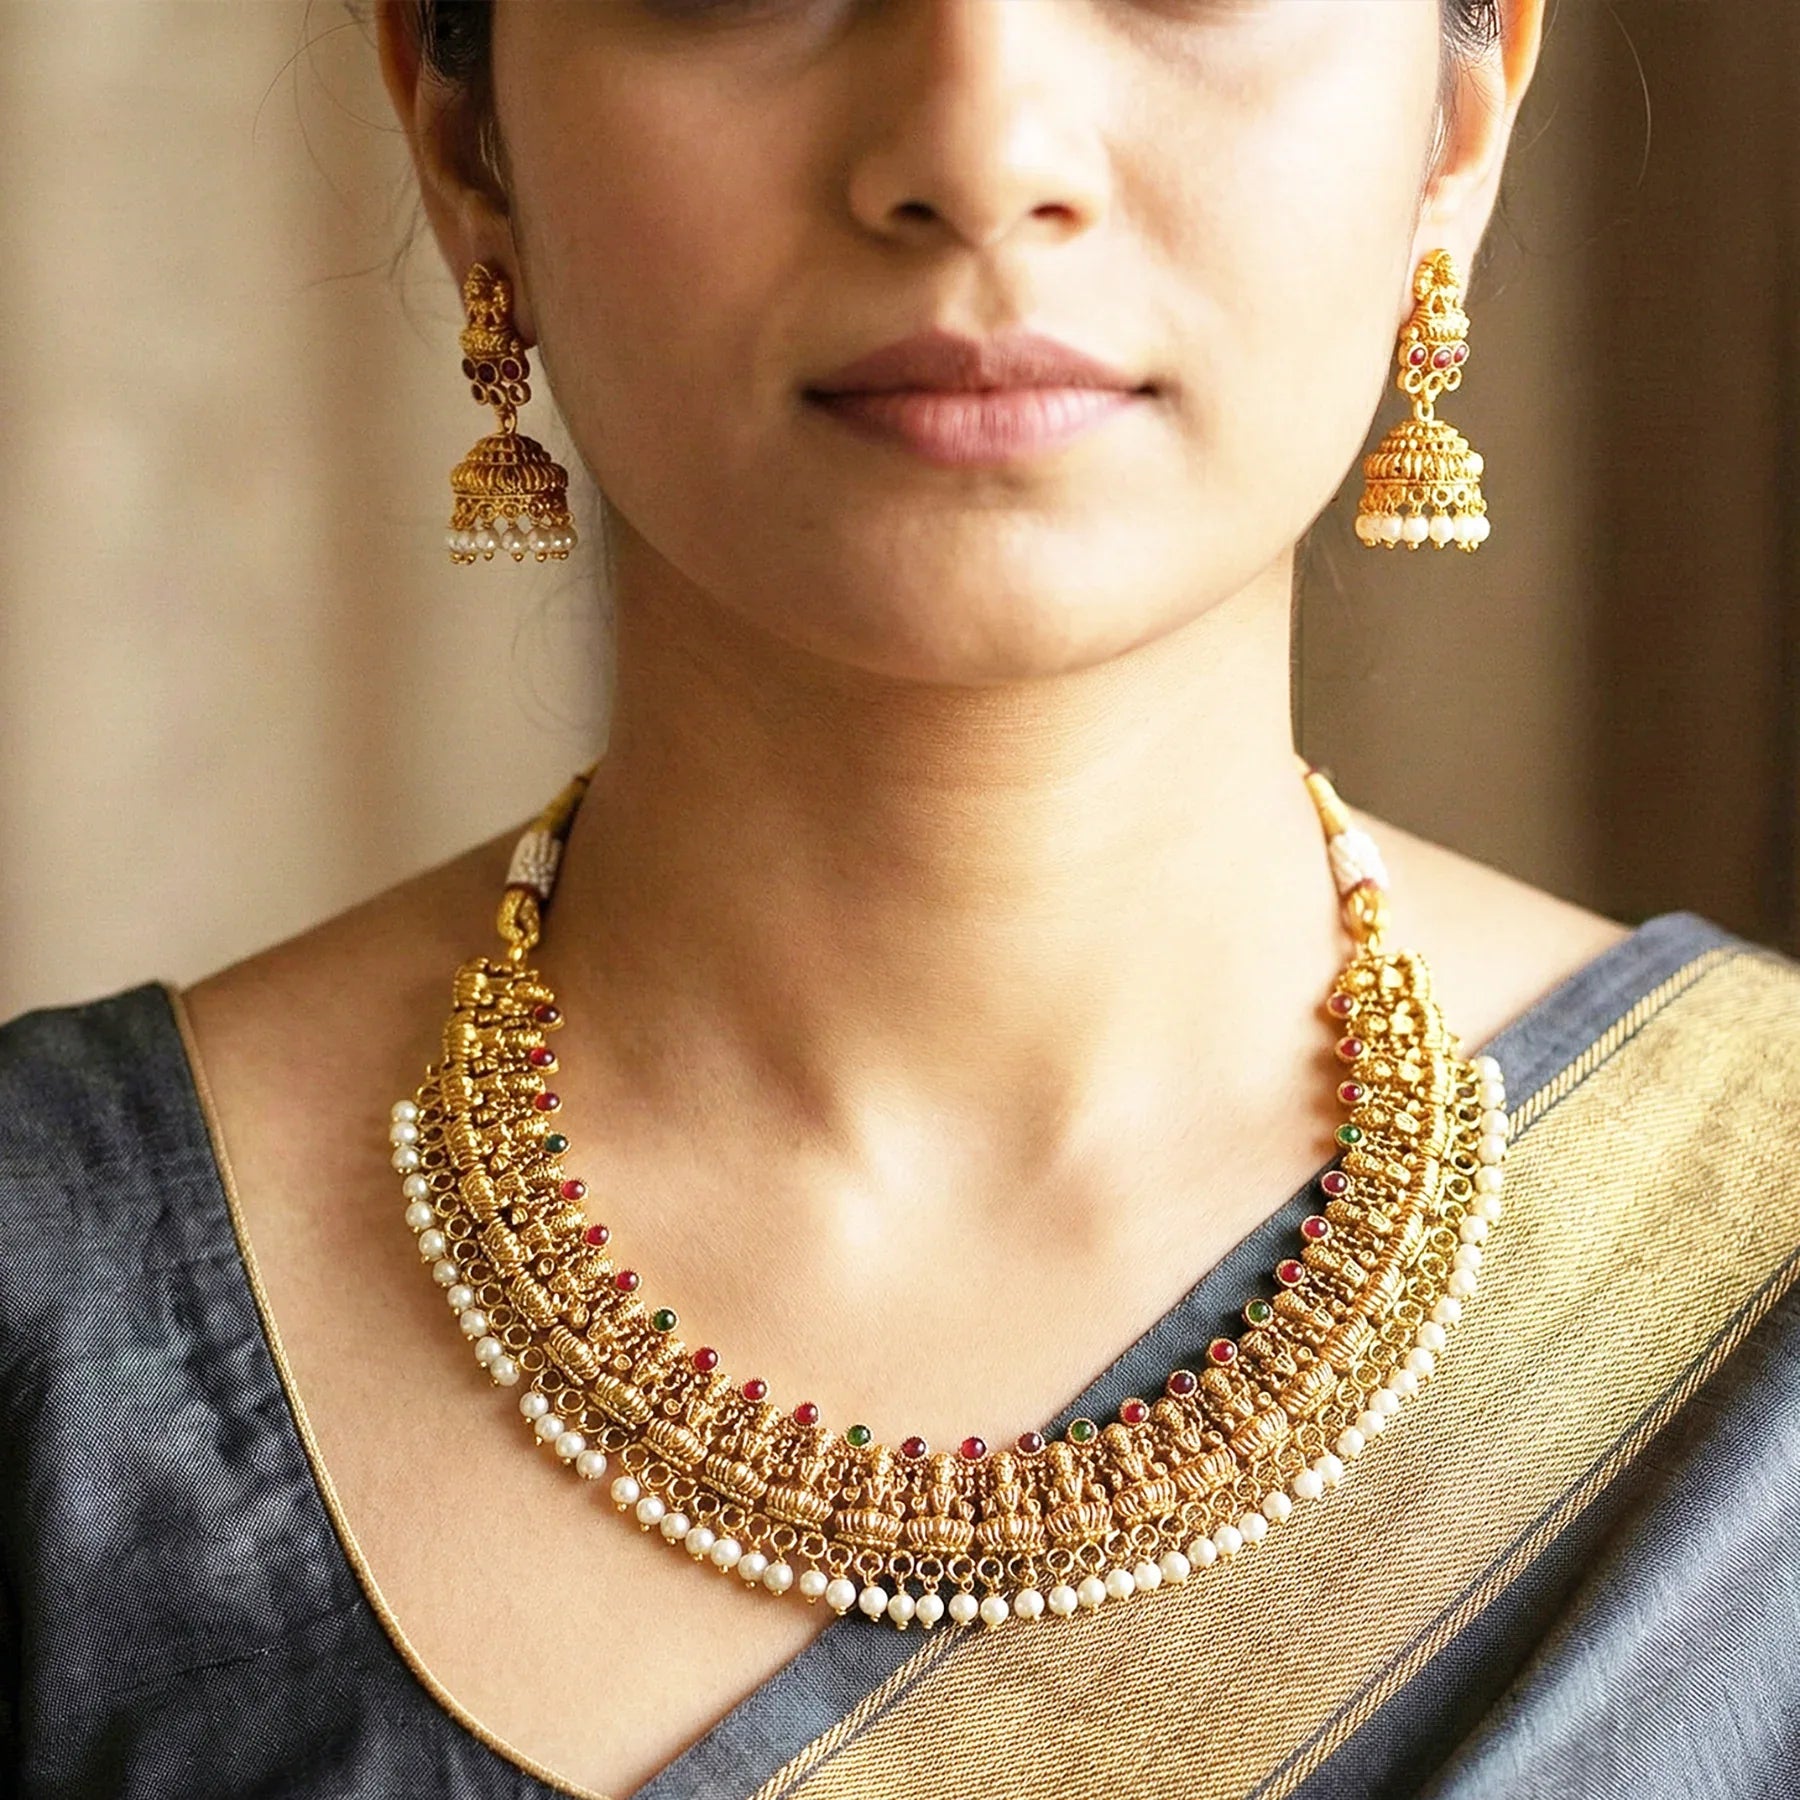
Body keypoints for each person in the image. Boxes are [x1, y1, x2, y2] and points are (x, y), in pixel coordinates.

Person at [3, 1, 1797, 1796]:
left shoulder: (1759, 1275)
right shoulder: (51, 1322)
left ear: (1459, 116)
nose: (979, 153)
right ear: (469, 136)